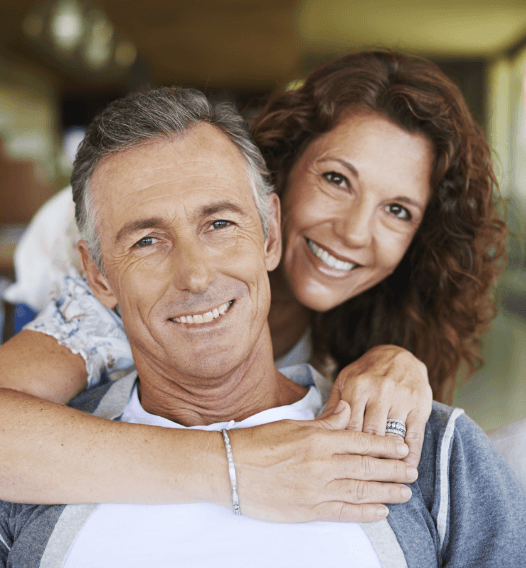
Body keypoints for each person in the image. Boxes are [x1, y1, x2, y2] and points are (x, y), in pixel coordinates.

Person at [0, 86, 523, 568]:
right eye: (146, 241)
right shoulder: (41, 453)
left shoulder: (428, 446)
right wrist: (234, 466)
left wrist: (397, 358)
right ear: (97, 274)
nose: (197, 276)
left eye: (221, 224)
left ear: (269, 232)